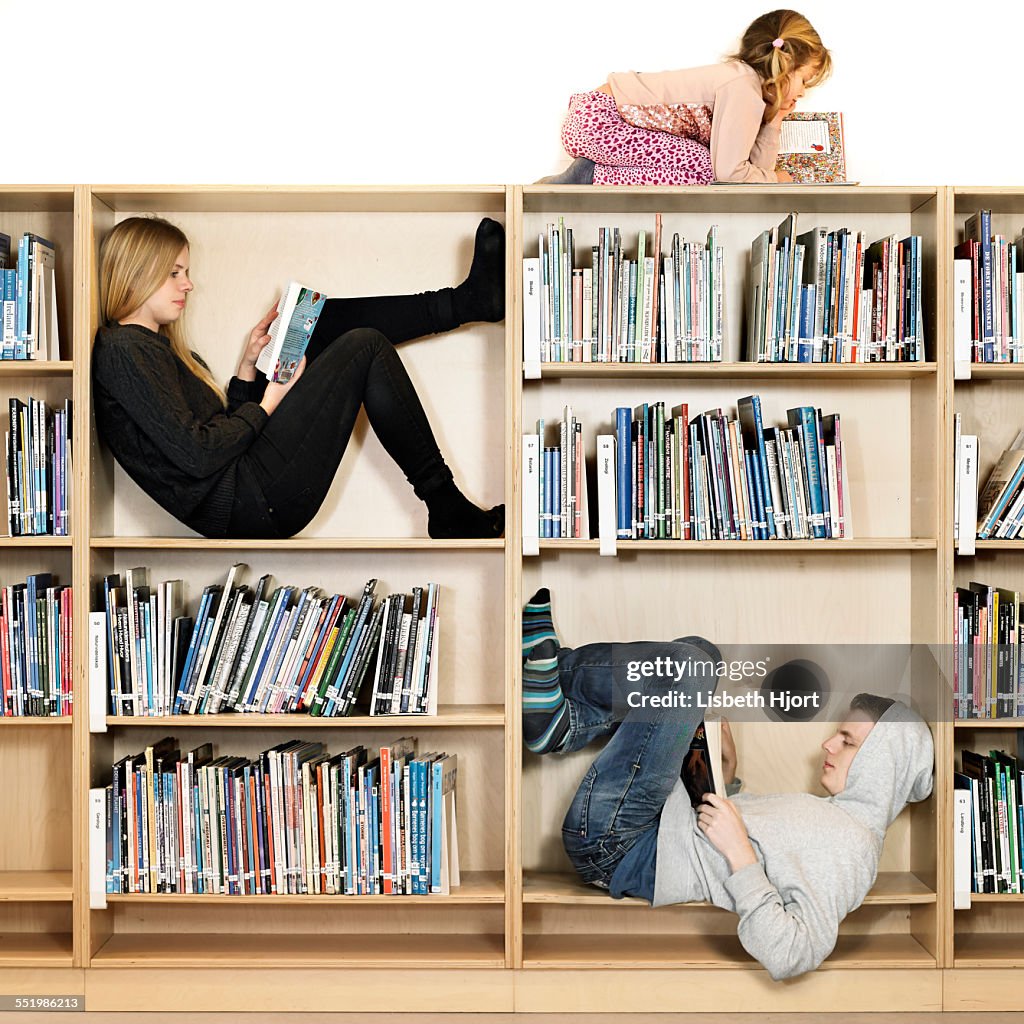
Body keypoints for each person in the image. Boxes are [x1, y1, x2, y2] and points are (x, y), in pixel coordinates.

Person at [521, 588, 934, 981]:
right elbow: (746, 849)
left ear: (882, 766)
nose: (828, 743)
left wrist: (739, 853)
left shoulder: (854, 850)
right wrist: (725, 776)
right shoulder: (834, 821)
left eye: (847, 741)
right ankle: (563, 722)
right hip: (651, 825)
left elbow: (794, 952)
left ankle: (560, 695)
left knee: (689, 666)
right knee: (700, 652)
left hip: (620, 845)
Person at [93, 216, 506, 540]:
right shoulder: (123, 351)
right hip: (249, 502)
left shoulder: (154, 350)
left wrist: (248, 367)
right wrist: (269, 401)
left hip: (247, 488)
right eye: (174, 273)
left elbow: (215, 439)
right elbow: (199, 456)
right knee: (364, 346)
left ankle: (466, 302)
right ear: (136, 273)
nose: (189, 284)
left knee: (315, 323)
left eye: (186, 272)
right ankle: (446, 505)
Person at [539, 10, 831, 186]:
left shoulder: (745, 88)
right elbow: (730, 175)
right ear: (785, 67)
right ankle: (591, 175)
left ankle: (594, 172)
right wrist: (778, 180)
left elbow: (751, 173)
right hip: (600, 121)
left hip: (594, 120)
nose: (804, 91)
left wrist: (775, 121)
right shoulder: (742, 87)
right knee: (706, 171)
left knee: (706, 167)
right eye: (805, 80)